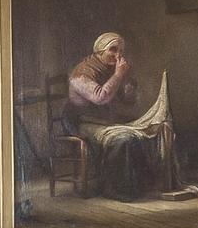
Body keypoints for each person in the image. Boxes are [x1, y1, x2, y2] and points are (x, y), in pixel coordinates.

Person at [67, 32, 170, 199]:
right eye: (113, 50)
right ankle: (116, 190)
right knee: (123, 139)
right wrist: (118, 75)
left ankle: (142, 185)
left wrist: (129, 91)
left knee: (149, 131)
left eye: (121, 51)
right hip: (83, 122)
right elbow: (100, 98)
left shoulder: (111, 69)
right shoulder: (82, 72)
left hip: (105, 121)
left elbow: (126, 101)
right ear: (100, 51)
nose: (118, 55)